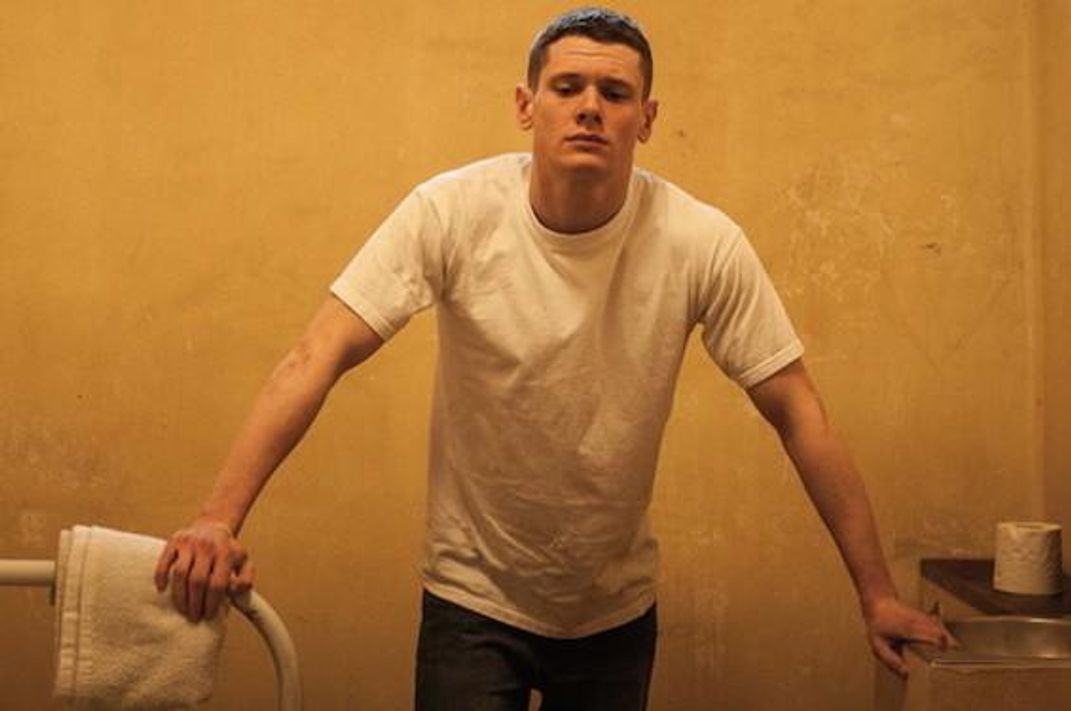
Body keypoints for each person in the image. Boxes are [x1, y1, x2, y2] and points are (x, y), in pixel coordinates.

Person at [155, 6, 950, 709]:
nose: (590, 108)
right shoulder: (452, 211)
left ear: (647, 118)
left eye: (615, 93)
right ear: (525, 105)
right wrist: (218, 517)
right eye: (568, 87)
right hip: (471, 597)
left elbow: (798, 410)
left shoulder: (699, 241)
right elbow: (316, 353)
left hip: (614, 609)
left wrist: (876, 593)